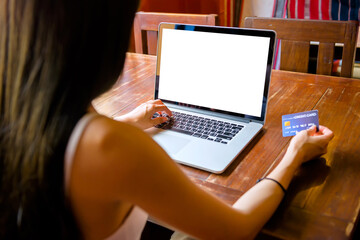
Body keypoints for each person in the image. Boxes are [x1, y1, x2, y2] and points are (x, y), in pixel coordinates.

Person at [0, 0, 334, 239]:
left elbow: (70, 142)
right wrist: (292, 156)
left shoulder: (19, 111)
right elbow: (237, 228)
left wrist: (132, 119)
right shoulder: (111, 146)